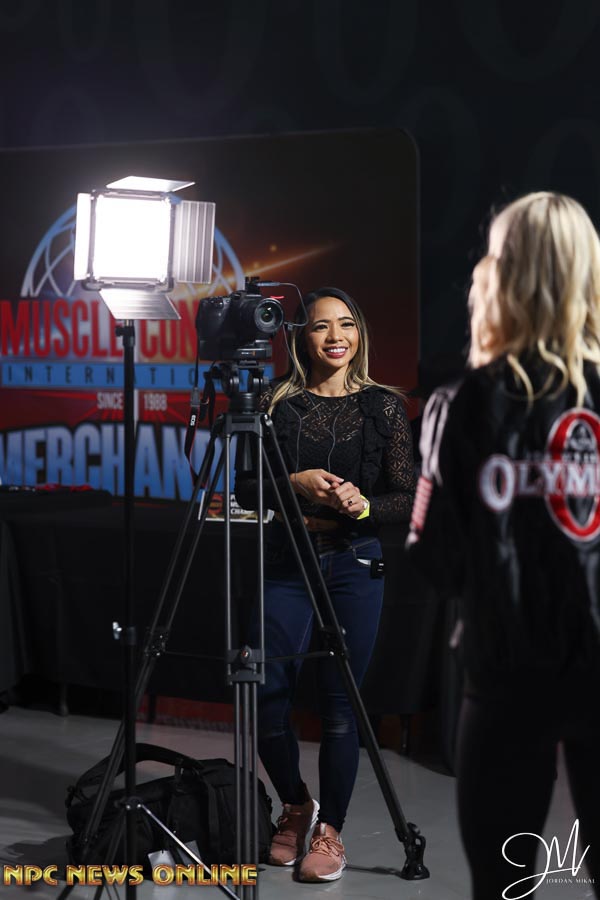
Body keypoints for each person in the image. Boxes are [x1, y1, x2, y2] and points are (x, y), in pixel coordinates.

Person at [407, 192, 600, 899]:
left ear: (503, 276)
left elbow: (437, 564)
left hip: (505, 680)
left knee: (501, 887)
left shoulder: (465, 404)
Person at [235, 286, 415, 882]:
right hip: (287, 558)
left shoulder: (383, 407)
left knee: (341, 707)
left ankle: (330, 830)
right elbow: (244, 487)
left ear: (359, 333)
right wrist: (294, 481)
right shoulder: (274, 402)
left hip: (354, 561)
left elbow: (407, 497)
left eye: (346, 324)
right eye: (320, 326)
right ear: (300, 337)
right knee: (265, 696)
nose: (336, 336)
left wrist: (363, 505)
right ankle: (295, 805)